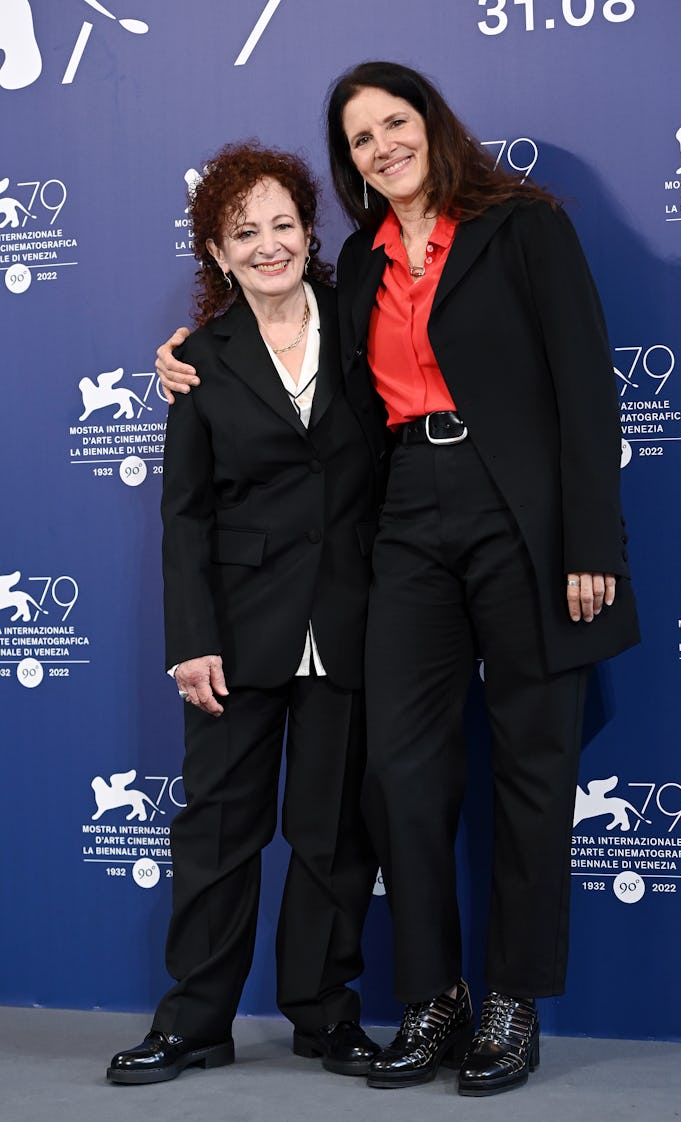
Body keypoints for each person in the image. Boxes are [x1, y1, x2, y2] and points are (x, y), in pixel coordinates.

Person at [156, 61, 640, 1097]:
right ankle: (433, 999)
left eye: (394, 122)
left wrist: (590, 541)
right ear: (351, 165)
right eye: (360, 139)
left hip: (522, 513)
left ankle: (510, 1001)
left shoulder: (522, 226)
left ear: (431, 123)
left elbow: (586, 386)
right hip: (407, 514)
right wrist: (189, 354)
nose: (381, 146)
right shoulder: (361, 269)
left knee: (530, 766)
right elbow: (268, 337)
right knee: (400, 775)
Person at [107, 142, 384, 1086]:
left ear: (311, 231)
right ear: (217, 256)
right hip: (235, 631)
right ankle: (194, 1023)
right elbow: (183, 513)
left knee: (334, 832)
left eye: (282, 224)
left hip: (353, 618)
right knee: (220, 832)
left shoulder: (367, 323)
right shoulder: (198, 360)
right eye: (243, 233)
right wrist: (192, 641)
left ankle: (324, 1016)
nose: (268, 245)